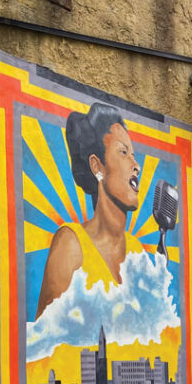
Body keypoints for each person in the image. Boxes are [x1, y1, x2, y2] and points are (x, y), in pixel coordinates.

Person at [35, 103, 144, 319]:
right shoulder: (71, 244)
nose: (136, 165)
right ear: (97, 167)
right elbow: (47, 336)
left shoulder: (136, 250)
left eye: (133, 154)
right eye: (123, 152)